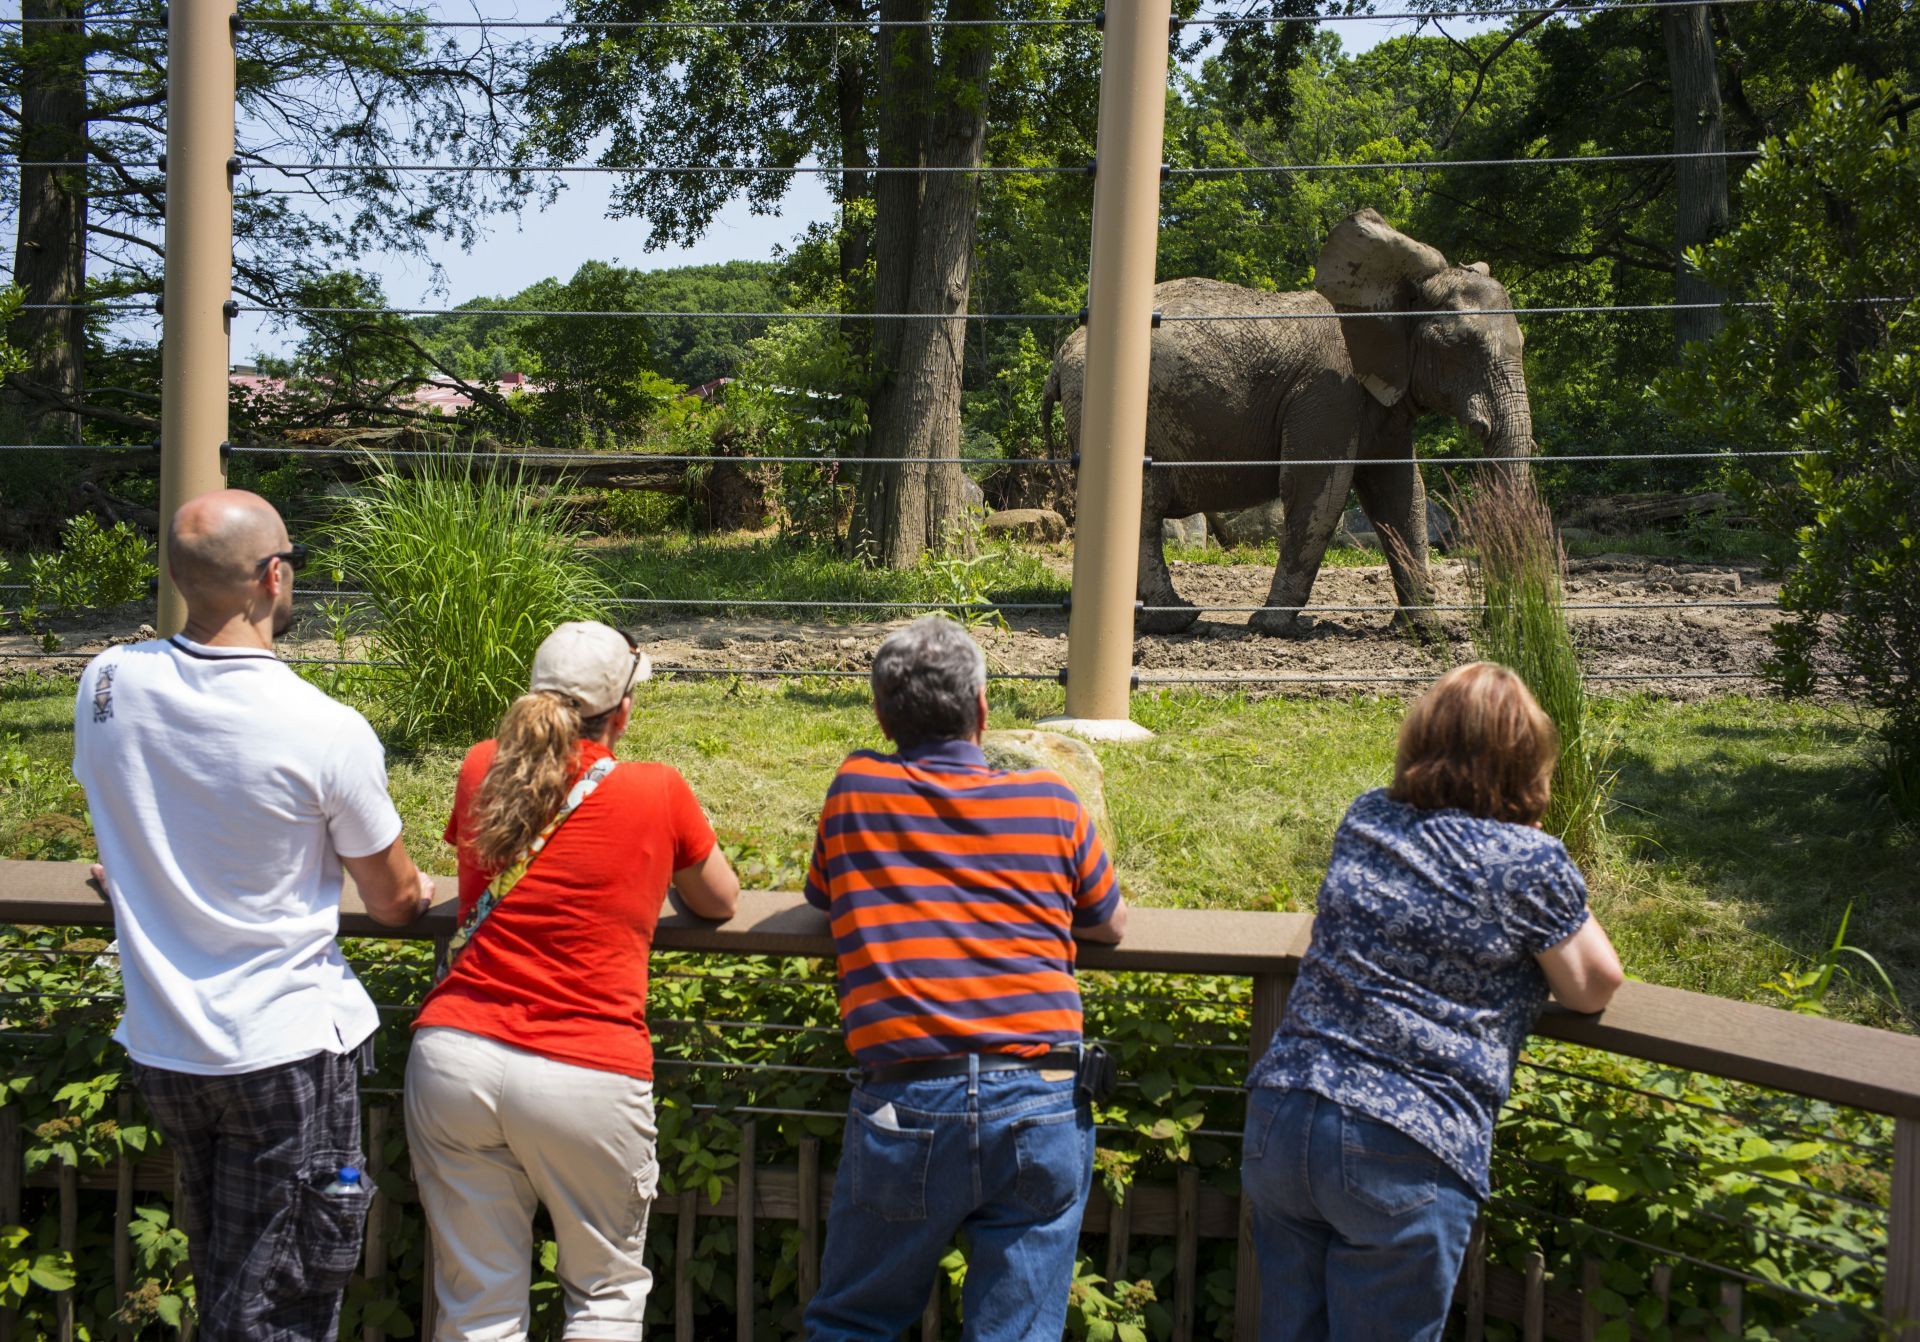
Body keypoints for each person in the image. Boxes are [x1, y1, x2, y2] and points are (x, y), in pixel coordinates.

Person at [72, 489, 434, 1341]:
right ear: (273, 578)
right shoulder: (323, 726)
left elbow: (141, 814)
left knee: (225, 1270)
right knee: (285, 1298)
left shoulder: (106, 684)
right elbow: (394, 896)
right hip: (286, 1051)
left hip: (166, 1043)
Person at [1241, 662, 1624, 1341]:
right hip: (1407, 1136)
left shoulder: (1368, 817)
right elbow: (1593, 985)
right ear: (1527, 761)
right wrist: (1539, 854)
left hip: (1286, 1111)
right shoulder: (1526, 863)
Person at [405, 620, 740, 1340]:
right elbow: (722, 899)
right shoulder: (659, 791)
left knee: (477, 1306)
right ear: (623, 711)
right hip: (586, 1065)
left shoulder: (478, 768)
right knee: (605, 1294)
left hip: (456, 1056)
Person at [801, 616, 1130, 1342]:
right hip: (1041, 1095)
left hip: (907, 1098)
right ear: (983, 709)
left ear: (883, 717)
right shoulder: (1050, 803)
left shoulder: (856, 791)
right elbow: (1107, 923)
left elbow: (822, 897)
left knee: (855, 1322)